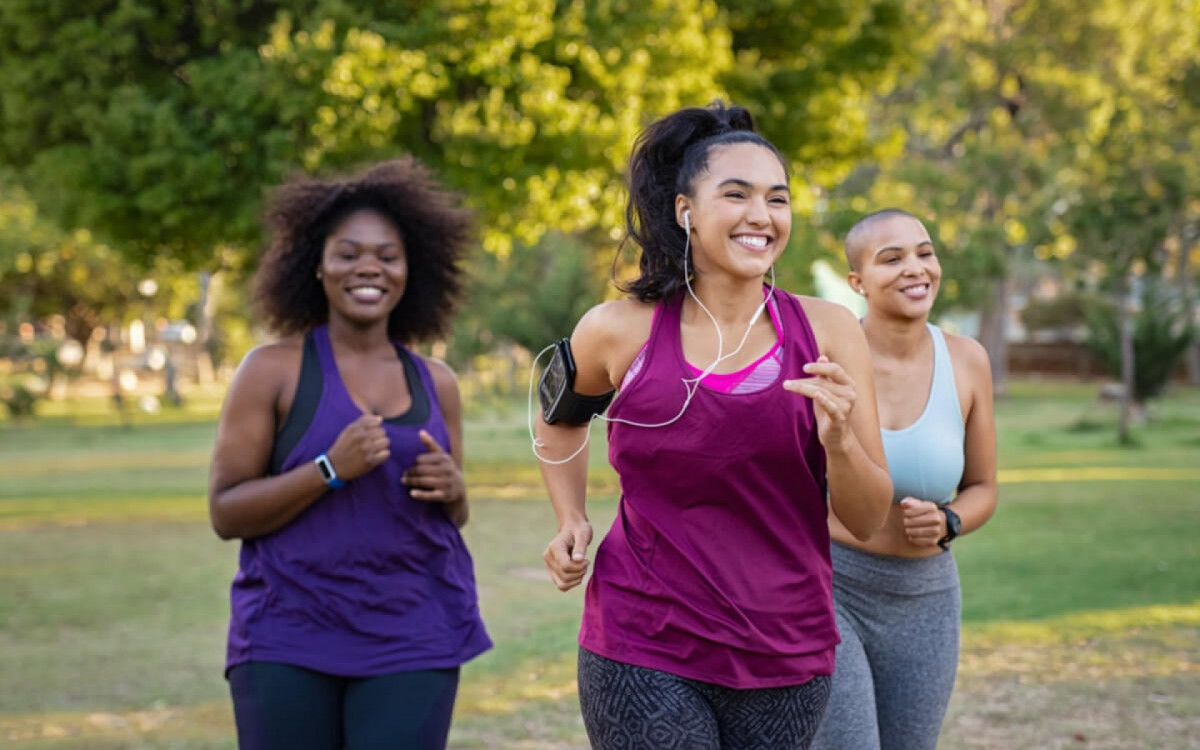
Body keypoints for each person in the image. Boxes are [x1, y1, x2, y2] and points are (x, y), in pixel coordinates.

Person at [534, 102, 894, 750]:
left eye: (777, 199)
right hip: (643, 640)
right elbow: (558, 416)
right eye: (736, 194)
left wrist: (839, 442)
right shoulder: (617, 330)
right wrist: (570, 517)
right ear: (686, 211)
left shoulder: (830, 332)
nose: (762, 215)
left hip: (785, 649)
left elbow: (867, 519)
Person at [207, 158, 492, 750]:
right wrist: (329, 469)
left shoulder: (436, 382)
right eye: (348, 253)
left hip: (414, 633)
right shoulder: (271, 371)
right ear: (316, 264)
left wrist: (455, 490)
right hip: (289, 633)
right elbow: (226, 512)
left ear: (411, 270)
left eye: (388, 256)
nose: (369, 267)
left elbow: (454, 516)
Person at [810, 209, 999, 750]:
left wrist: (950, 520)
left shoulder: (968, 360)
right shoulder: (824, 362)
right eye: (891, 259)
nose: (915, 268)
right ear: (858, 282)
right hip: (832, 588)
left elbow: (984, 487)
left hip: (926, 598)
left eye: (924, 253)